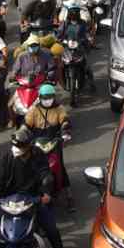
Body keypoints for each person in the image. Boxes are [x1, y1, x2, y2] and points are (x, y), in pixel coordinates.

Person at [0, 127, 75, 248]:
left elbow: (45, 173)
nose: (17, 149)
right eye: (16, 146)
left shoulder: (38, 155)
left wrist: (46, 192)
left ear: (29, 146)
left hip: (32, 199)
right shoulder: (7, 157)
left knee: (51, 229)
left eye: (21, 146)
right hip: (9, 200)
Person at [25, 83, 75, 211]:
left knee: (61, 167)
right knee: (30, 167)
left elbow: (65, 121)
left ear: (54, 97)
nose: (47, 100)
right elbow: (26, 125)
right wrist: (21, 135)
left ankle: (69, 196)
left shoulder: (59, 109)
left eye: (50, 97)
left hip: (54, 142)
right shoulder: (34, 110)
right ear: (40, 97)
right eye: (45, 97)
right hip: (37, 144)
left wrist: (65, 131)